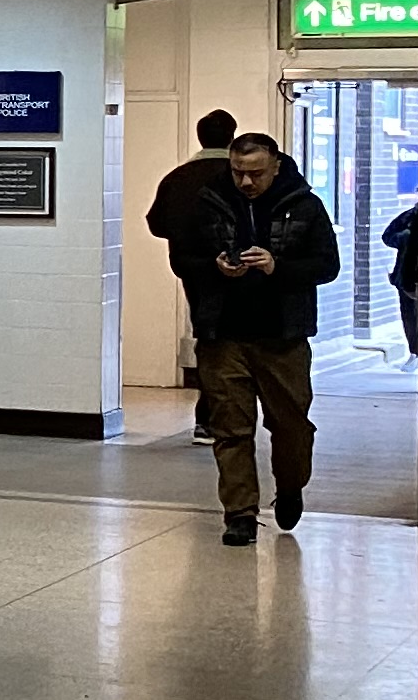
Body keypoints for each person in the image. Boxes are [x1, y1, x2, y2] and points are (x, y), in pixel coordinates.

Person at [191, 130, 339, 544]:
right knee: (231, 429)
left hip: (283, 336)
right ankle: (239, 513)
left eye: (256, 173)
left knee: (291, 427)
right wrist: (215, 266)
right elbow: (182, 258)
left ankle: (290, 487)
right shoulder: (209, 202)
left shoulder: (305, 205)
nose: (246, 182)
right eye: (239, 172)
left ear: (276, 166)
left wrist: (278, 267)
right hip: (224, 334)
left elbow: (328, 265)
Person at [143, 109, 243, 444]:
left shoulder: (177, 177)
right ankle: (221, 416)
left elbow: (156, 224)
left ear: (199, 137)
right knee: (238, 341)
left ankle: (208, 419)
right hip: (241, 271)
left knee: (209, 338)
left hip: (193, 271)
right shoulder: (240, 176)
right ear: (232, 136)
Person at [381, 200, 418, 358]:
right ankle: (415, 352)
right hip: (406, 277)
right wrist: (405, 238)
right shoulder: (410, 216)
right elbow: (387, 236)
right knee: (409, 317)